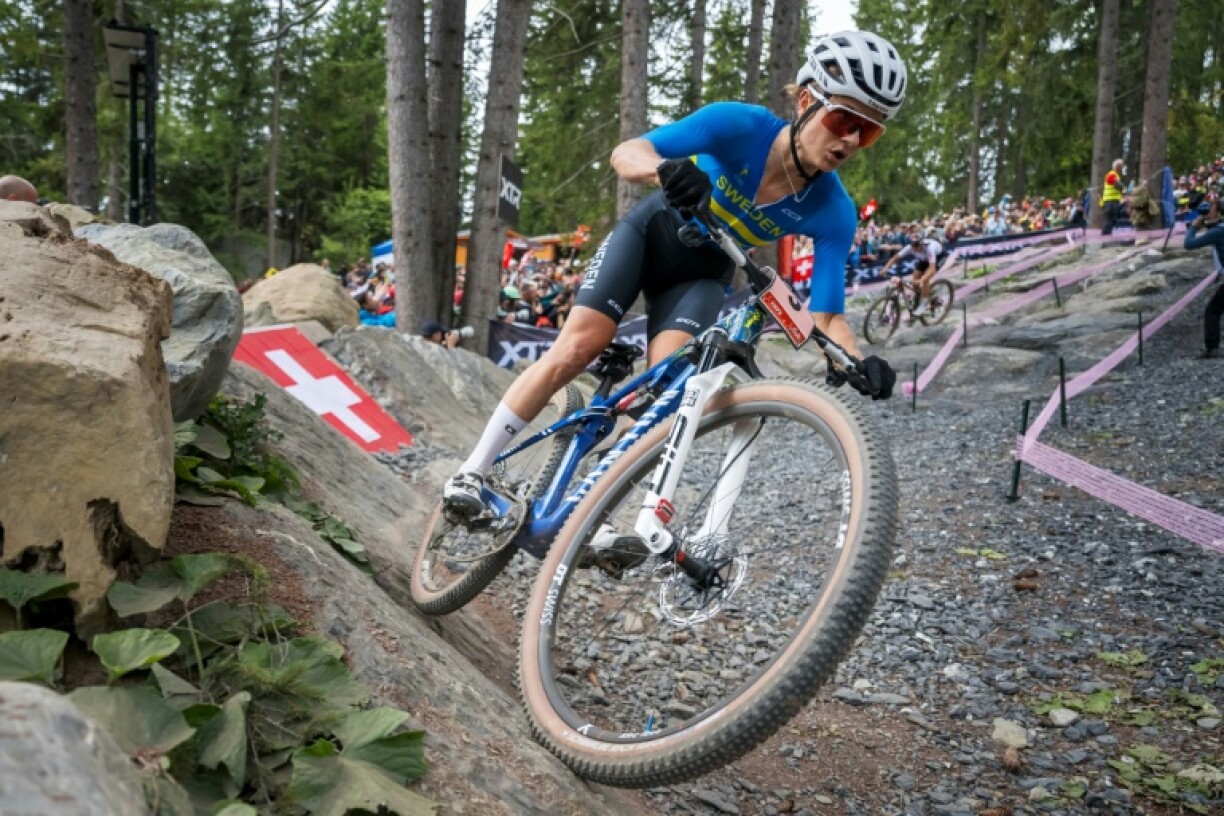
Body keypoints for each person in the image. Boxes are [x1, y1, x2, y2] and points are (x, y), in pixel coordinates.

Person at [441, 29, 906, 517]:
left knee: (667, 398)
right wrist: (663, 170)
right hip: (652, 234)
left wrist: (857, 360)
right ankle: (472, 470)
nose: (851, 139)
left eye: (869, 131)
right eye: (843, 118)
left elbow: (828, 317)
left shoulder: (834, 211)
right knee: (579, 346)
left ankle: (589, 517)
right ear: (807, 100)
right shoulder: (740, 125)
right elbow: (628, 152)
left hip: (705, 274)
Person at [1184, 197, 1224, 359]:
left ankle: (1212, 348)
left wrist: (1194, 227)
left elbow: (1189, 244)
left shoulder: (1218, 231)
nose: (1207, 212)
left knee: (1213, 310)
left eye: (1211, 209)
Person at [877, 231, 944, 316]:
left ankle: (923, 305)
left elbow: (932, 268)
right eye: (913, 246)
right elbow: (895, 258)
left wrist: (921, 280)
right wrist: (885, 269)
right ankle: (919, 297)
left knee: (925, 278)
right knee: (915, 276)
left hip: (939, 256)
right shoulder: (909, 247)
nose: (915, 248)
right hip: (924, 259)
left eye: (917, 246)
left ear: (922, 243)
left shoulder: (929, 248)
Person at [1100, 159, 1126, 235]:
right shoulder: (1111, 175)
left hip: (1113, 201)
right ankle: (1105, 238)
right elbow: (1117, 184)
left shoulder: (1115, 175)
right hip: (1110, 202)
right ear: (1118, 167)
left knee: (1112, 220)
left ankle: (1107, 236)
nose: (1122, 169)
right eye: (1122, 167)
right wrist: (1125, 189)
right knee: (1109, 220)